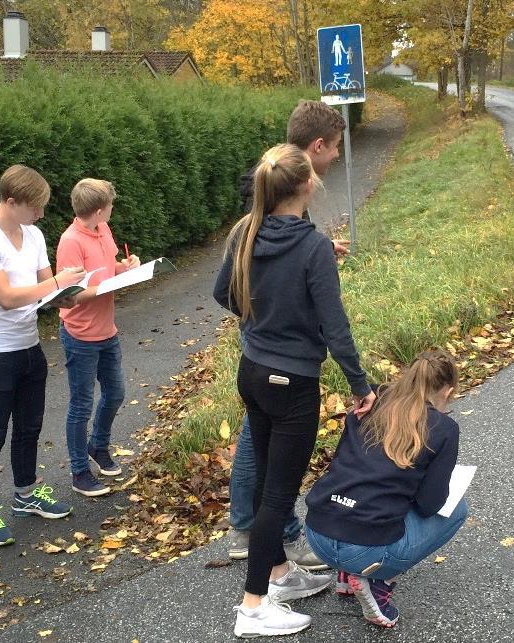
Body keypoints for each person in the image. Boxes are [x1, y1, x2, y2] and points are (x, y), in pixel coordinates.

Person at [214, 143, 376, 638]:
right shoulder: (312, 247)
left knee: (267, 483)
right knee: (276, 496)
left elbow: (224, 292)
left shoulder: (247, 230)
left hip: (253, 370)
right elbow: (336, 327)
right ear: (308, 185)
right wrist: (360, 385)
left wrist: (263, 317)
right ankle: (253, 607)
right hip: (292, 385)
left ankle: (280, 574)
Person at [228, 99, 348, 569]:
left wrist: (314, 255)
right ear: (315, 149)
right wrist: (272, 312)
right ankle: (269, 540)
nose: (336, 157)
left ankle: (260, 539)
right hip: (275, 345)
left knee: (259, 435)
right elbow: (256, 255)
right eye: (334, 148)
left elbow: (272, 253)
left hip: (261, 344)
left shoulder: (272, 174)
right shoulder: (277, 182)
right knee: (267, 447)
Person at [304, 350, 469, 628]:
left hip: (318, 532)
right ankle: (379, 583)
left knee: (369, 501)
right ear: (448, 390)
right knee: (457, 510)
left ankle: (347, 575)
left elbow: (344, 458)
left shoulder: (372, 399)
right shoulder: (444, 428)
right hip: (365, 548)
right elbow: (430, 504)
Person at [0, 164, 84, 547]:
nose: (40, 215)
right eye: (35, 208)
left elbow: (44, 292)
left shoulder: (32, 234)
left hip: (30, 347)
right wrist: (57, 282)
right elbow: (7, 297)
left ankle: (26, 493)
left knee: (30, 427)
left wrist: (79, 287)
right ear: (11, 201)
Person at [56, 178, 141, 497]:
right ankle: (79, 472)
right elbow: (68, 295)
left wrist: (126, 267)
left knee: (116, 392)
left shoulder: (103, 229)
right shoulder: (70, 241)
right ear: (99, 209)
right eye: (110, 204)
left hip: (107, 331)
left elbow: (110, 267)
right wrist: (104, 289)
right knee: (81, 405)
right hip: (80, 334)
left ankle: (98, 446)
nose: (113, 208)